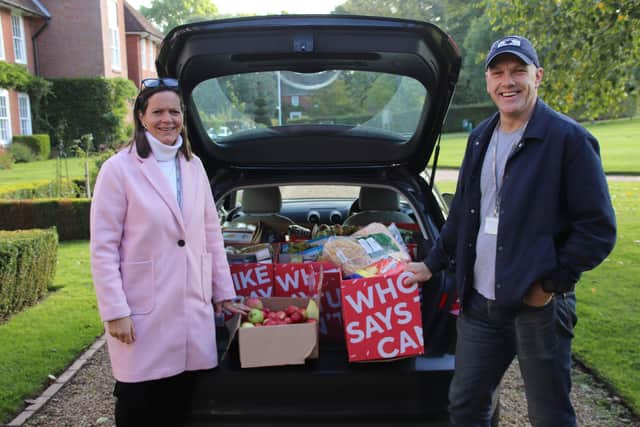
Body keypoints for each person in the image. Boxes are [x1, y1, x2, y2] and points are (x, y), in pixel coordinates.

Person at [405, 36, 616, 426]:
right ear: (487, 81)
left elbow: (598, 229)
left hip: (537, 308)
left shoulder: (568, 140)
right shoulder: (480, 137)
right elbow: (464, 215)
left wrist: (550, 284)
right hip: (480, 306)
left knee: (549, 415)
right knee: (466, 405)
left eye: (518, 70)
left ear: (538, 76)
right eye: (498, 72)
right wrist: (431, 264)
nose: (508, 81)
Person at [90, 78, 248, 427]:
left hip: (191, 303)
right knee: (138, 401)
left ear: (183, 118)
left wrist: (223, 293)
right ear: (141, 117)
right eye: (158, 111)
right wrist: (115, 311)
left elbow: (210, 235)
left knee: (180, 401)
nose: (167, 119)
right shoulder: (118, 170)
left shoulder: (193, 167)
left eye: (174, 111)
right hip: (142, 307)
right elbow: (103, 248)